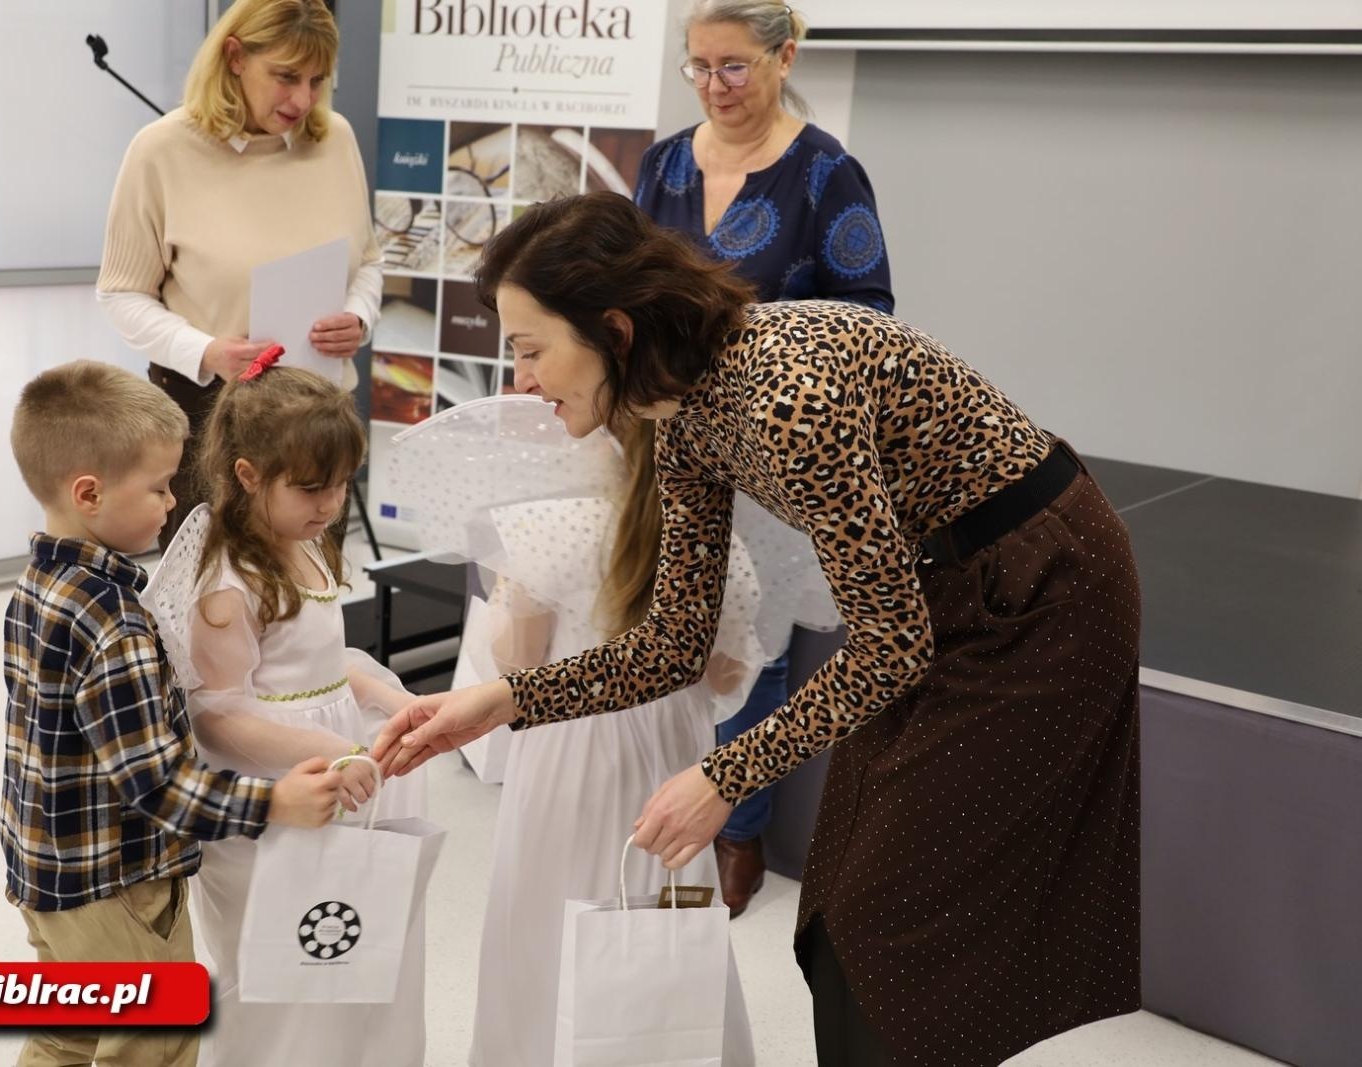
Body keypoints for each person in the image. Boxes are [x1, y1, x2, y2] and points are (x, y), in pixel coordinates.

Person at [375, 193, 1142, 1067]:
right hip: (939, 589)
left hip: (1043, 594)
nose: (522, 380)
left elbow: (889, 645)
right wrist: (503, 700)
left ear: (615, 332)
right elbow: (673, 643)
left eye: (530, 350)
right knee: (837, 915)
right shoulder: (682, 411)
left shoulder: (786, 399)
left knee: (889, 929)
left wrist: (723, 775)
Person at [388, 399, 766, 1066]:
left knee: (544, 915)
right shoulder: (718, 538)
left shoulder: (545, 528)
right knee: (666, 912)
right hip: (672, 755)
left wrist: (512, 594)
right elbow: (729, 674)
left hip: (566, 745)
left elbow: (516, 662)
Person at [2, 360, 345, 1067]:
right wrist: (273, 800)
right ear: (89, 493)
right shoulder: (115, 623)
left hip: (46, 867)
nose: (171, 502)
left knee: (67, 1028)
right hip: (115, 881)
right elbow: (158, 784)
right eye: (158, 487)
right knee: (154, 1039)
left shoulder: (38, 585)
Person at [636, 0, 894, 914]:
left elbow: (867, 320)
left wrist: (757, 347)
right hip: (675, 438)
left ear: (787, 56)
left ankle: (737, 830)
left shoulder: (826, 172)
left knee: (763, 642)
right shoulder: (664, 162)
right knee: (677, 617)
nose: (715, 87)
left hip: (779, 451)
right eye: (698, 67)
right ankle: (668, 803)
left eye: (735, 67)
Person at [142, 352, 429, 1067]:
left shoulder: (308, 542)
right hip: (271, 787)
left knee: (354, 939)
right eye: (309, 487)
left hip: (338, 763)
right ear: (246, 475)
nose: (329, 504)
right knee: (280, 958)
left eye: (340, 485)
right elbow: (217, 713)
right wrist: (327, 751)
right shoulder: (227, 581)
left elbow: (330, 667)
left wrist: (398, 701)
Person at [97, 0, 382, 549]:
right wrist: (207, 351)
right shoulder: (161, 150)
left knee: (311, 608)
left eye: (319, 80)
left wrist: (360, 317)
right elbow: (122, 295)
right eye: (285, 77)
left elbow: (367, 260)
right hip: (211, 425)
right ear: (234, 57)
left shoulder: (335, 139)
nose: (303, 99)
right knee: (215, 611)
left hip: (318, 423)